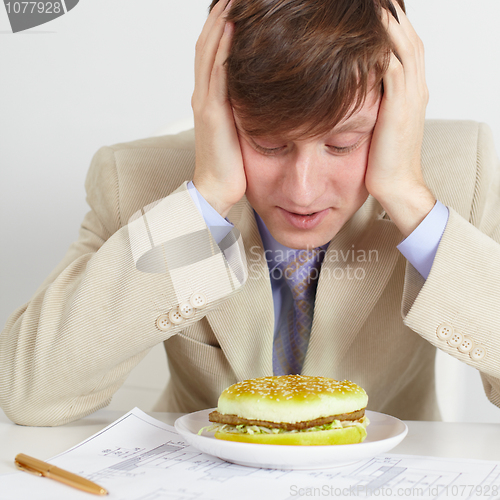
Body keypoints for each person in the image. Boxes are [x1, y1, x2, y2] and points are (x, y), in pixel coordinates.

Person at [1, 0, 499, 426]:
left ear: (394, 112)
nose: (303, 191)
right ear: (217, 108)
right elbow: (27, 392)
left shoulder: (463, 171)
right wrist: (206, 199)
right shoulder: (133, 180)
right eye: (267, 143)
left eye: (343, 144)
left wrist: (411, 201)